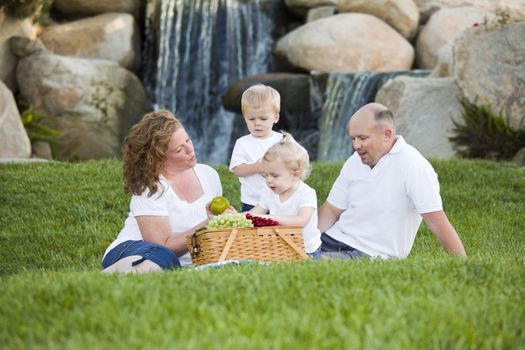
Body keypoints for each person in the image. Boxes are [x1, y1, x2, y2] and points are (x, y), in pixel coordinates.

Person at [318, 103, 466, 259]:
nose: (356, 145)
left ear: (387, 134)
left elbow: (437, 222)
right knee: (294, 254)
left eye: (362, 138)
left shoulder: (414, 166)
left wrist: (463, 264)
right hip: (332, 238)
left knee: (313, 263)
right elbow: (331, 210)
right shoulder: (356, 160)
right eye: (353, 138)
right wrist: (305, 238)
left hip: (369, 252)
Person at [101, 110, 223, 273]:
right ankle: (109, 276)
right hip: (130, 252)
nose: (190, 150)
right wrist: (208, 225)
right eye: (179, 150)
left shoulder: (209, 175)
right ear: (160, 158)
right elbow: (163, 247)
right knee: (165, 257)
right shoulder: (151, 187)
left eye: (188, 140)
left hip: (177, 262)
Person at [248, 133, 322, 259]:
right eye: (266, 175)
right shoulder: (269, 192)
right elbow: (253, 213)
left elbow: (301, 221)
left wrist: (266, 218)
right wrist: (236, 217)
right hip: (282, 245)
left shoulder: (306, 193)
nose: (269, 180)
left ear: (295, 175)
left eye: (275, 175)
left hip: (306, 249)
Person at [229, 84, 285, 212]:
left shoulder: (282, 140)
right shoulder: (242, 143)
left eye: (263, 118)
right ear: (245, 118)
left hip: (279, 199)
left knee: (279, 229)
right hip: (252, 201)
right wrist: (256, 167)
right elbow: (237, 169)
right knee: (252, 230)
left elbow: (295, 163)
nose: (257, 123)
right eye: (251, 119)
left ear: (276, 118)